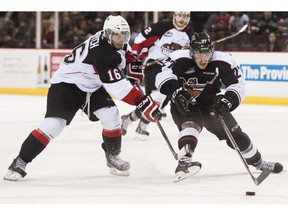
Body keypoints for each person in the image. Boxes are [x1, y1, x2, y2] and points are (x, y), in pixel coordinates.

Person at [3, 15, 161, 181]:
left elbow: (126, 51)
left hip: (91, 87)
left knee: (111, 115)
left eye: (124, 35)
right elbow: (119, 88)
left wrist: (131, 64)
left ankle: (112, 156)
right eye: (118, 35)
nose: (122, 39)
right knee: (53, 126)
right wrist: (143, 102)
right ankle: (20, 162)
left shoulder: (111, 38)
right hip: (66, 86)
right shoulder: (102, 52)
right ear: (108, 34)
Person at [154, 31, 283, 181]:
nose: (203, 59)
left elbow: (237, 84)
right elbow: (162, 76)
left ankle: (259, 163)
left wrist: (228, 101)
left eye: (207, 54)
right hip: (184, 101)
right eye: (199, 54)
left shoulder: (223, 61)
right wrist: (176, 93)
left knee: (235, 134)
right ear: (191, 52)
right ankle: (184, 163)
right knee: (191, 125)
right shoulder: (179, 58)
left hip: (210, 103)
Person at [121, 11, 193, 140]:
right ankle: (137, 125)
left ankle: (133, 123)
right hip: (154, 65)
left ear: (188, 18)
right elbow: (140, 39)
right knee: (157, 97)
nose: (182, 19)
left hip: (170, 69)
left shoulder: (191, 34)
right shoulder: (162, 26)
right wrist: (134, 58)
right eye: (179, 16)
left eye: (185, 16)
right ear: (175, 16)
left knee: (157, 102)